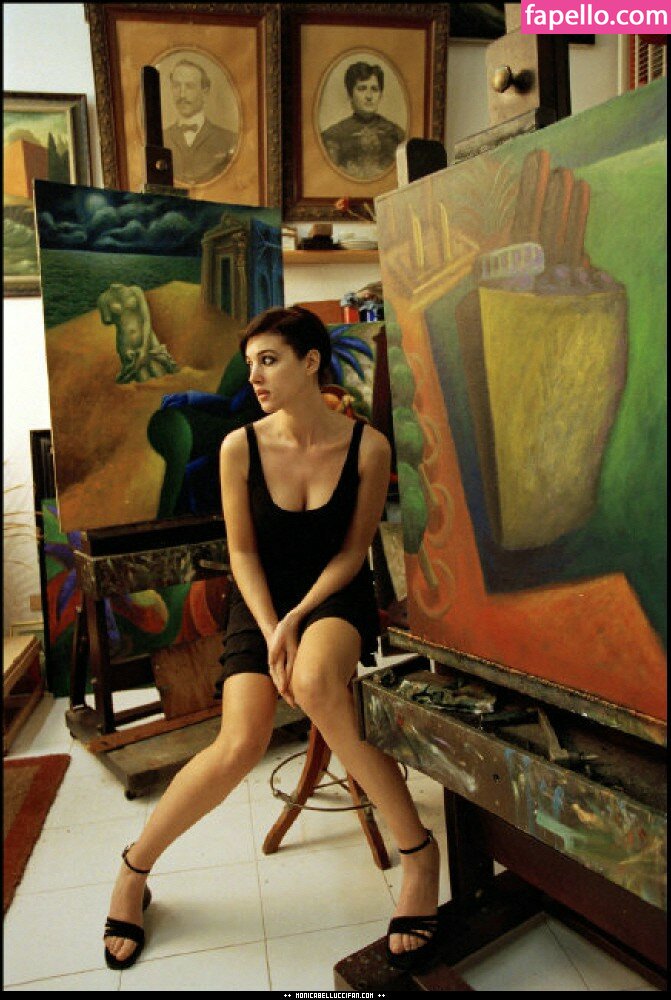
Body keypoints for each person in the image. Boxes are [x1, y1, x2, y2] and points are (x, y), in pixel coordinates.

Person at [103, 306, 441, 974]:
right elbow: (243, 554)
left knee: (315, 684)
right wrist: (270, 627)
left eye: (269, 360)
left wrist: (297, 620)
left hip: (333, 595)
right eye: (251, 362)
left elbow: (352, 554)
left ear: (310, 362)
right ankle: (133, 870)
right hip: (259, 598)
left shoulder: (368, 447)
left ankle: (419, 855)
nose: (254, 376)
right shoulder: (241, 447)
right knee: (239, 743)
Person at [321, 62, 405, 181]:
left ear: (380, 95)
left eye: (374, 89)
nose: (369, 96)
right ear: (350, 94)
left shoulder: (397, 135)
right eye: (362, 89)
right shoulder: (333, 135)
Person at [163, 58, 238, 185]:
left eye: (190, 86)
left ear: (205, 91)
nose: (182, 95)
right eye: (176, 86)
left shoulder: (230, 140)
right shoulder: (160, 140)